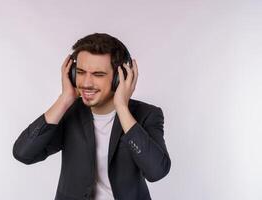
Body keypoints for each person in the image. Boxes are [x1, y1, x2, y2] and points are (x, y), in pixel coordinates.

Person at [12, 33, 171, 200]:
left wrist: (122, 107)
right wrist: (65, 99)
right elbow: (23, 153)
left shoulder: (147, 114)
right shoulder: (69, 112)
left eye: (98, 74)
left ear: (119, 77)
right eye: (80, 72)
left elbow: (157, 172)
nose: (86, 83)